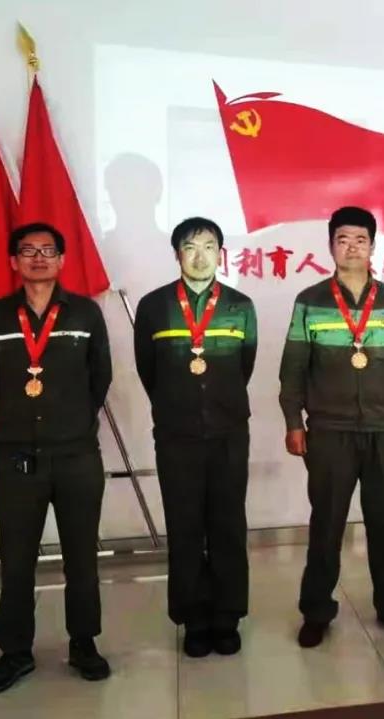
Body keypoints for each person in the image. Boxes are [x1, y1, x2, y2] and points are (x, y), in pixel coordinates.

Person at [279, 206, 384, 648]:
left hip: (383, 429)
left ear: (372, 246)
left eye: (361, 240)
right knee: (326, 525)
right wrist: (293, 420)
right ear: (331, 246)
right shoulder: (310, 300)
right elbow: (293, 368)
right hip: (329, 430)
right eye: (343, 240)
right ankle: (316, 611)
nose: (352, 247)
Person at [0, 222, 112, 694]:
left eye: (48, 250)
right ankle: (15, 652)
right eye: (28, 250)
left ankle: (84, 644)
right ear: (13, 261)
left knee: (82, 556)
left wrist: (69, 421)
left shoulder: (86, 313)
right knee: (16, 559)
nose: (39, 258)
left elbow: (100, 378)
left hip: (76, 453)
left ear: (62, 260)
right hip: (15, 455)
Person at [134, 217, 257, 658]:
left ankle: (227, 617)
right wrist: (178, 406)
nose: (200, 256)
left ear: (220, 254)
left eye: (209, 246)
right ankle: (193, 618)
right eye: (190, 247)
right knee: (185, 526)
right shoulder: (154, 306)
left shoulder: (240, 305)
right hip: (176, 434)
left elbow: (244, 366)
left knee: (228, 525)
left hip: (228, 432)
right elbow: (148, 370)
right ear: (177, 254)